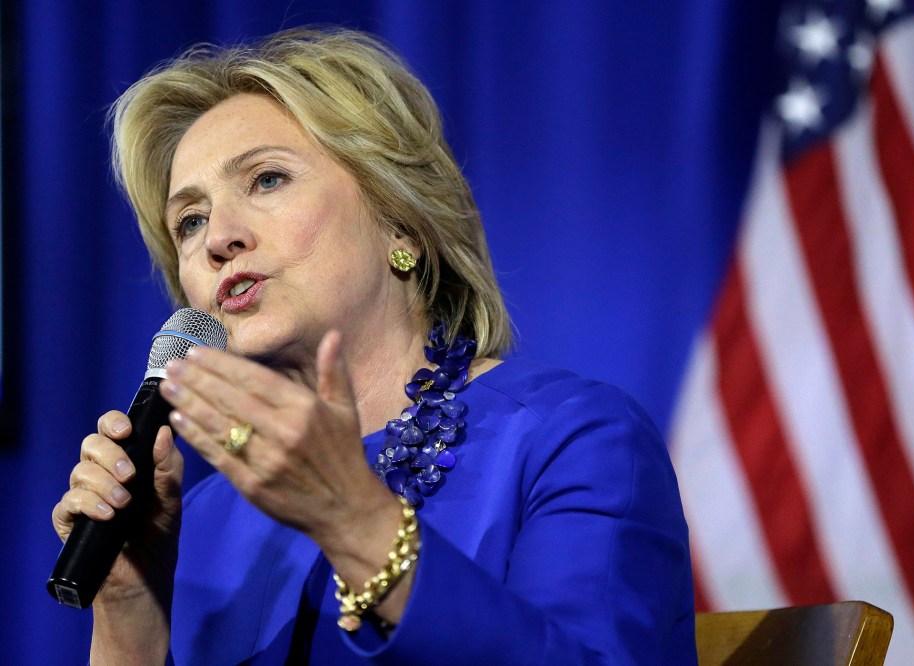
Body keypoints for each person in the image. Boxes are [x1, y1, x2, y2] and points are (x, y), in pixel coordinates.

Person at [52, 28, 696, 665]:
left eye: (267, 179)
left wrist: (356, 522)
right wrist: (129, 604)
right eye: (189, 221)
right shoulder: (199, 523)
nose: (218, 236)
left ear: (402, 222)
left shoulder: (571, 439)